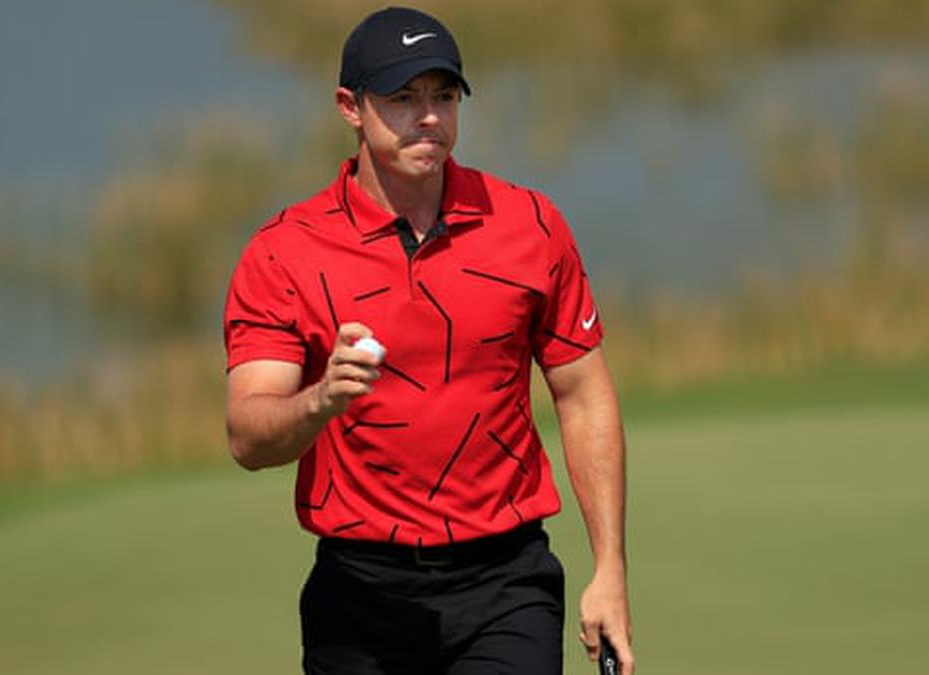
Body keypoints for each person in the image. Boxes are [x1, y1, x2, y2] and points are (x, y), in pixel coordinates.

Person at [223, 7, 632, 674]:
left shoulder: (528, 224)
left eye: (443, 96)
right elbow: (248, 434)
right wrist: (320, 400)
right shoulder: (284, 253)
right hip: (359, 592)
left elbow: (584, 395)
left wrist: (610, 569)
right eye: (403, 98)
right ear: (350, 107)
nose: (430, 117)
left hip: (506, 580)